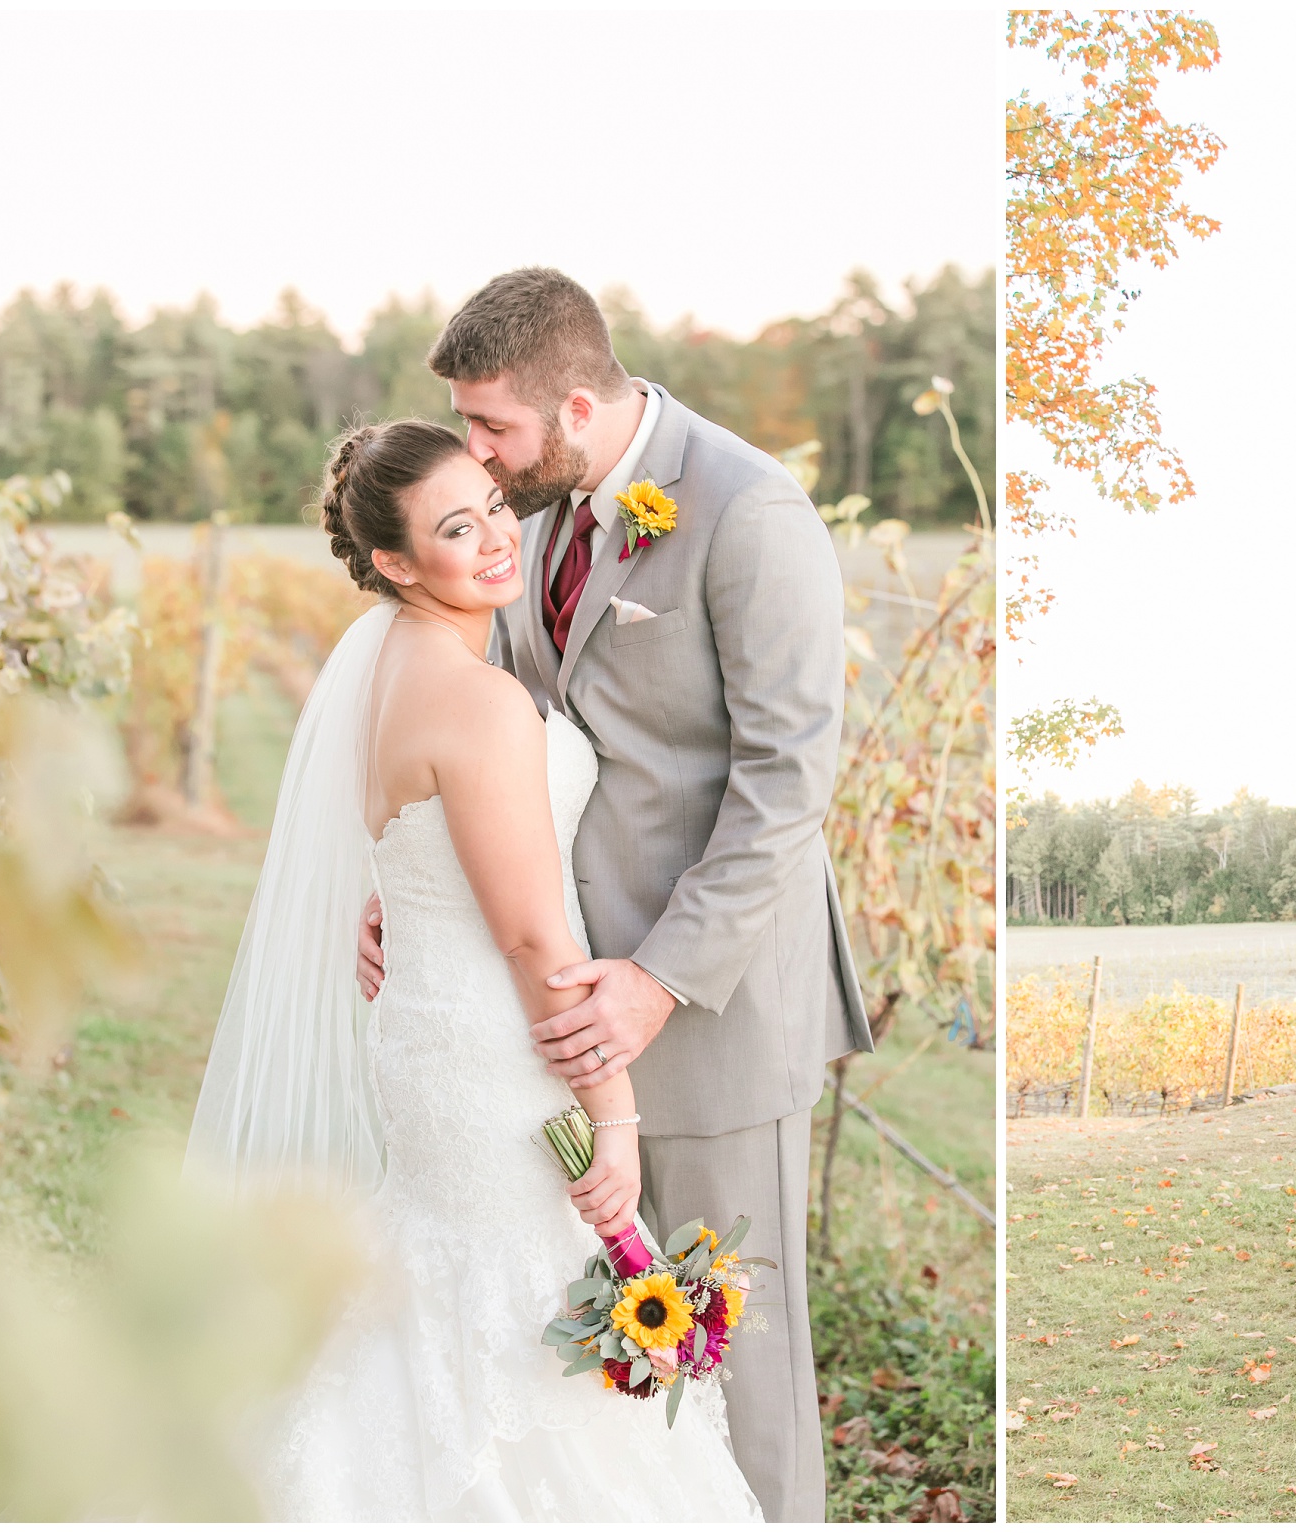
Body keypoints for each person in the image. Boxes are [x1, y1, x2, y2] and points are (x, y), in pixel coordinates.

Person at [357, 268, 871, 1521]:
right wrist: (412, 886)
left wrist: (658, 979)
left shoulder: (751, 513)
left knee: (730, 1358)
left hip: (699, 1009)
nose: (476, 456)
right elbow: (515, 734)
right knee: (610, 1383)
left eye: (493, 428)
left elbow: (786, 785)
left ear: (575, 405)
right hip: (548, 1026)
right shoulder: (527, 512)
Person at [188, 420, 759, 1518]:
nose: (499, 537)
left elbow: (414, 837)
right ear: (395, 561)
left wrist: (393, 900)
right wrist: (618, 1122)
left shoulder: (387, 670)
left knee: (440, 1295)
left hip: (425, 1037)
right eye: (457, 528)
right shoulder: (482, 700)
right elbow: (541, 948)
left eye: (493, 506)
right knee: (516, 1318)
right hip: (499, 1060)